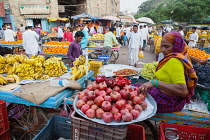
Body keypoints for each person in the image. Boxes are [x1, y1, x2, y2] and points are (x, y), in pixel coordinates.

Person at [136, 31, 197, 113]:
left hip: (169, 101)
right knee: (134, 88)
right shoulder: (175, 56)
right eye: (162, 46)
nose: (163, 50)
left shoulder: (174, 61)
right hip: (166, 94)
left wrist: (155, 83)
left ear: (176, 46)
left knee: (132, 99)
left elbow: (183, 91)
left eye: (167, 47)